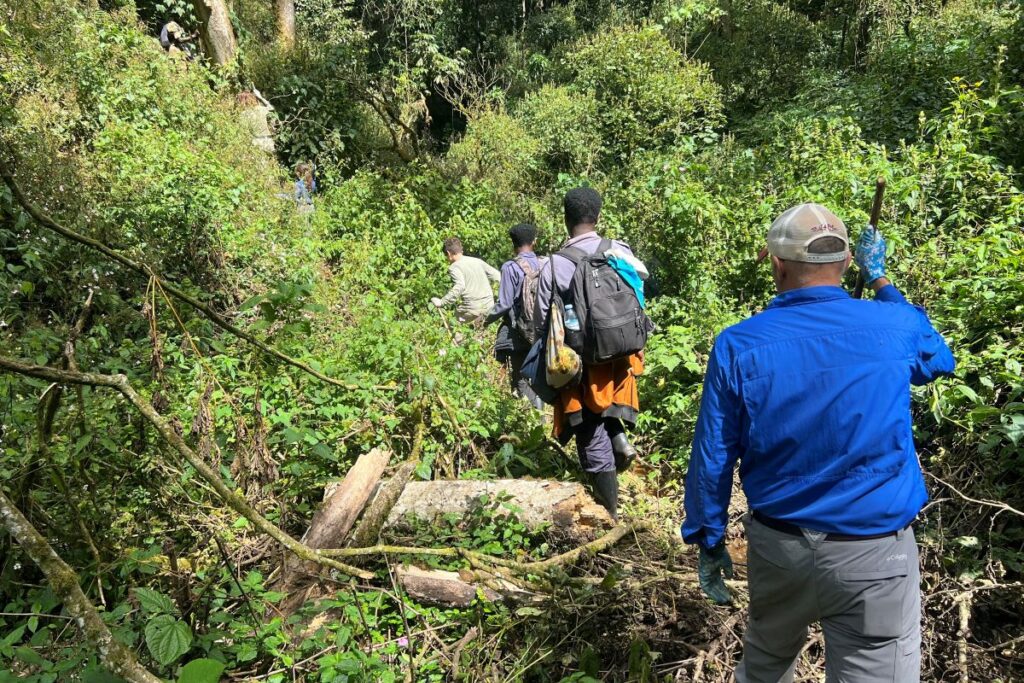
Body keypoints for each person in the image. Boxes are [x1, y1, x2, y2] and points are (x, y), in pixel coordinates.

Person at [681, 203, 955, 683]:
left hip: (778, 549)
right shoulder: (896, 325)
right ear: (848, 261)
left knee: (766, 665)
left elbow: (714, 454)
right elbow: (937, 360)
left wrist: (709, 536)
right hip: (875, 555)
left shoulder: (738, 344)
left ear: (777, 263)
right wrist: (881, 280)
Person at [534, 187, 643, 521]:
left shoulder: (554, 264)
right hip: (621, 355)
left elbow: (542, 317)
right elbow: (639, 292)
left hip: (580, 361)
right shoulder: (619, 251)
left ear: (566, 220)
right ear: (598, 216)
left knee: (588, 431)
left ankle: (610, 513)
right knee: (608, 406)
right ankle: (620, 435)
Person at [485, 223, 545, 409]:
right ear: (534, 241)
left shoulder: (510, 267)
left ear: (513, 244)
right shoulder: (546, 263)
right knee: (539, 377)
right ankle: (541, 418)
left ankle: (531, 422)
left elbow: (504, 304)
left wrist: (484, 320)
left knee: (521, 377)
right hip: (543, 330)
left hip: (519, 333)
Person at [431, 238, 500, 324]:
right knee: (480, 330)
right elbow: (497, 276)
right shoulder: (477, 261)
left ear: (448, 253)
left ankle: (457, 336)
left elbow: (460, 286)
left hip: (472, 308)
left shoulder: (454, 267)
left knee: (454, 325)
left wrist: (442, 302)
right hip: (489, 306)